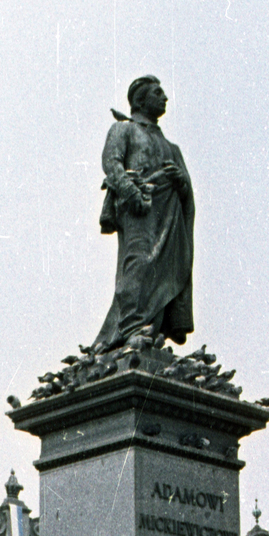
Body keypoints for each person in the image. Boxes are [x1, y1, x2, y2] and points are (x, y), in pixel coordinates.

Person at [94, 76, 194, 351]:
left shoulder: (172, 148)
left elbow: (187, 192)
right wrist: (131, 193)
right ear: (140, 100)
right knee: (138, 265)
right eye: (157, 93)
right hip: (139, 209)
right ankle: (131, 328)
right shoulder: (124, 130)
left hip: (169, 214)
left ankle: (151, 329)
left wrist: (182, 183)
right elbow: (111, 163)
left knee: (163, 271)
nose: (165, 98)